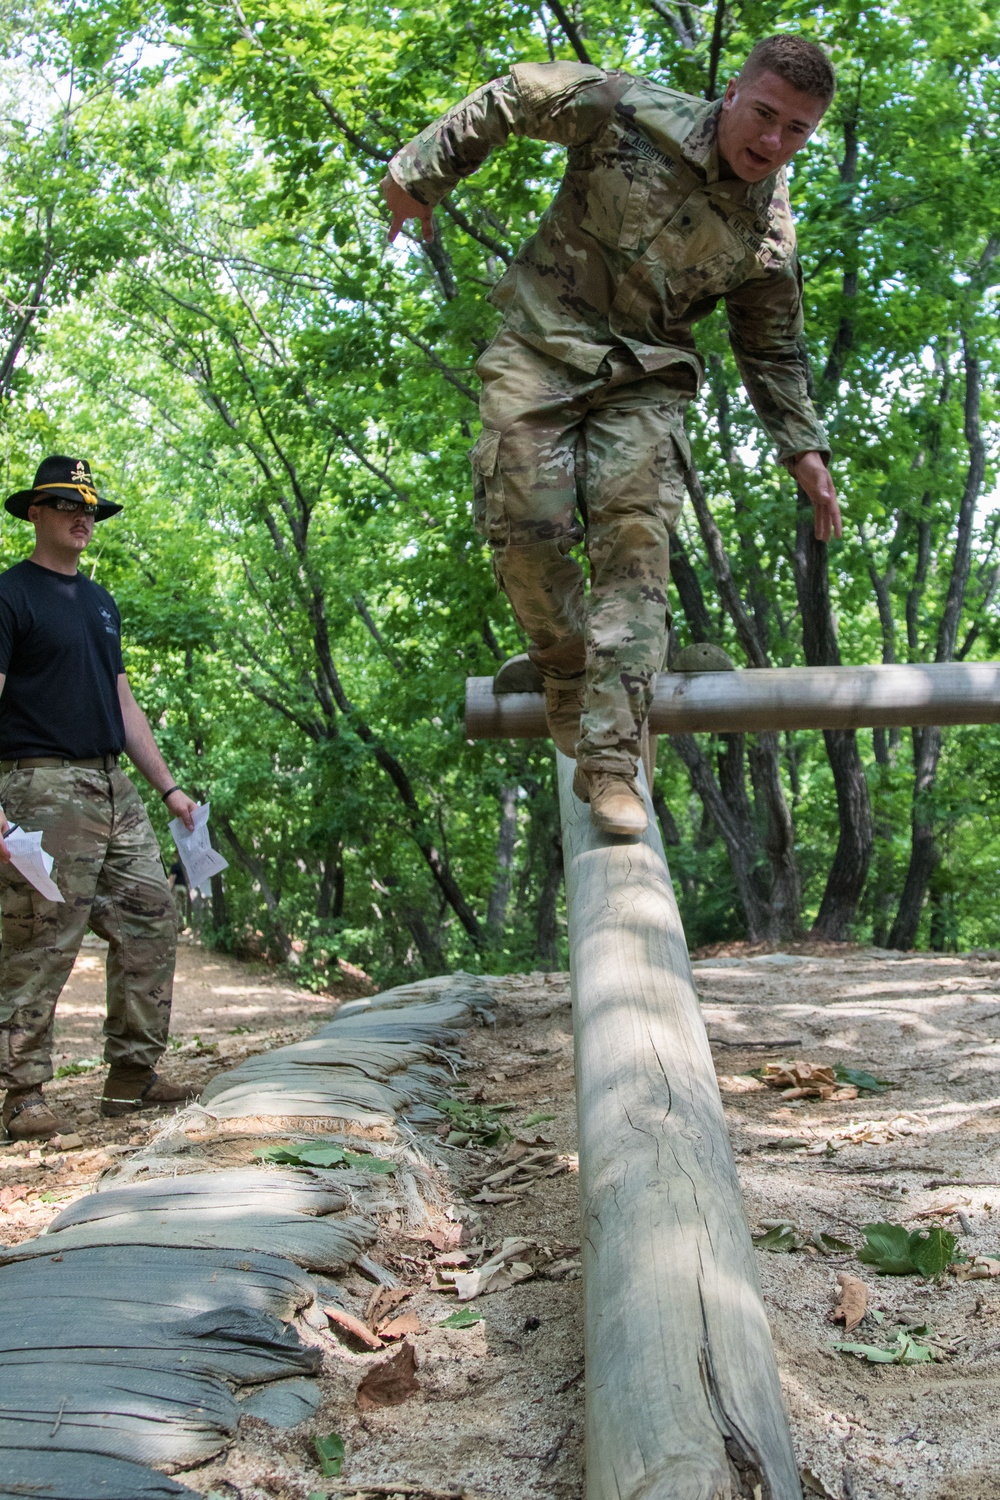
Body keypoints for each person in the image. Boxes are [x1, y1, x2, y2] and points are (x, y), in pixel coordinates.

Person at [383, 34, 843, 837]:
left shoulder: (768, 232)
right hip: (539, 342)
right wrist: (419, 174)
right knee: (526, 530)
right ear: (731, 94)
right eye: (764, 114)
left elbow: (771, 345)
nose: (772, 142)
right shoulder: (627, 109)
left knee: (634, 538)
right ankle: (567, 668)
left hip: (646, 378)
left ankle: (611, 764)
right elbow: (517, 93)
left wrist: (802, 448)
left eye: (796, 130)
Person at [0, 455, 199, 1141]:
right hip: (40, 786)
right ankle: (22, 1094)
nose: (83, 518)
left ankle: (131, 1076)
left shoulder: (99, 602)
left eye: (90, 508)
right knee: (42, 939)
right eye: (66, 505)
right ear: (35, 514)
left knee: (151, 915)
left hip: (112, 783)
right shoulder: (10, 596)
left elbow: (123, 702)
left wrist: (168, 788)